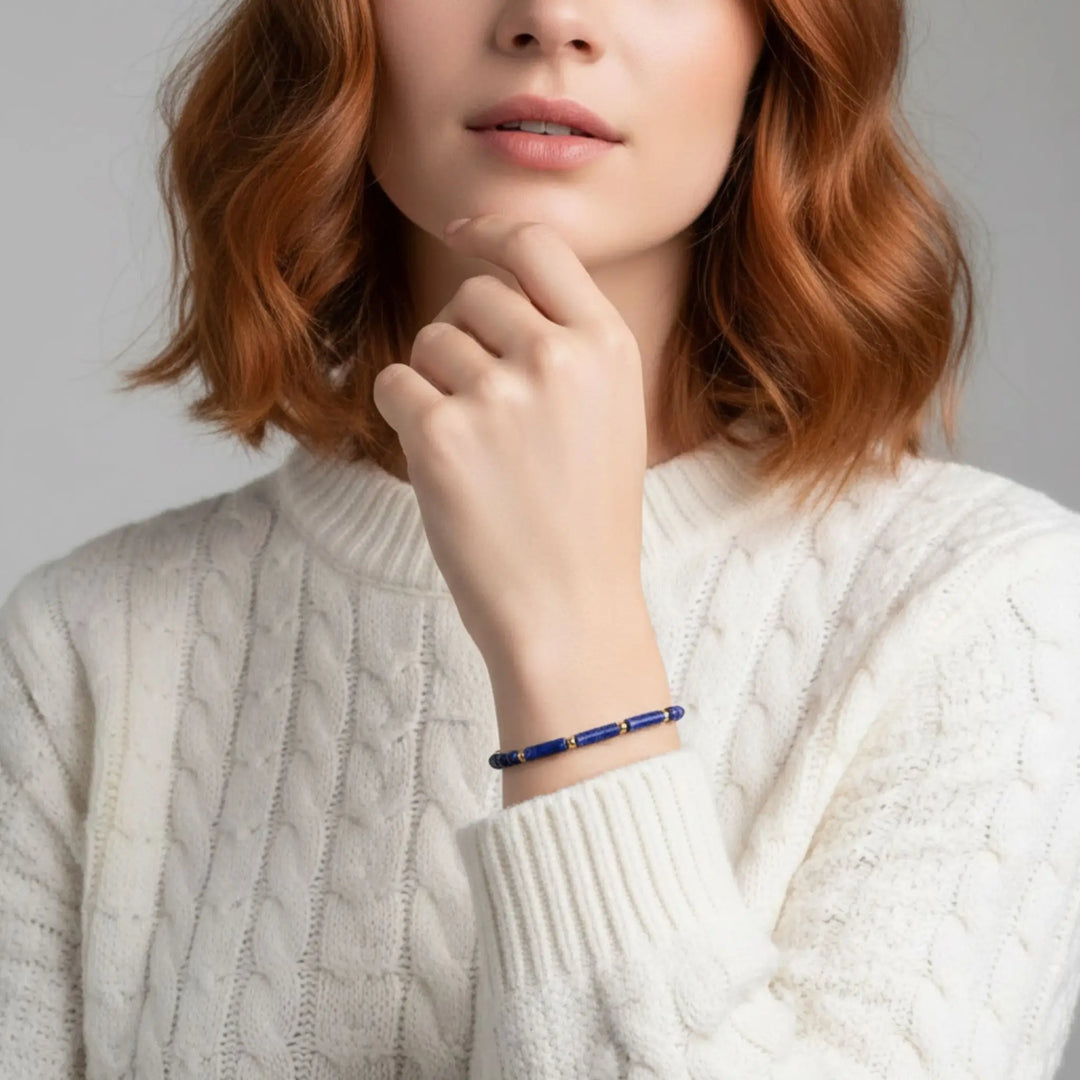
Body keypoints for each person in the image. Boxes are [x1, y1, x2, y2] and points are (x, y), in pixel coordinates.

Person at [2, 0, 1079, 1076]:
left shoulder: (994, 613)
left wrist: (574, 643)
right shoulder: (85, 649)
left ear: (780, 42)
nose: (552, 19)